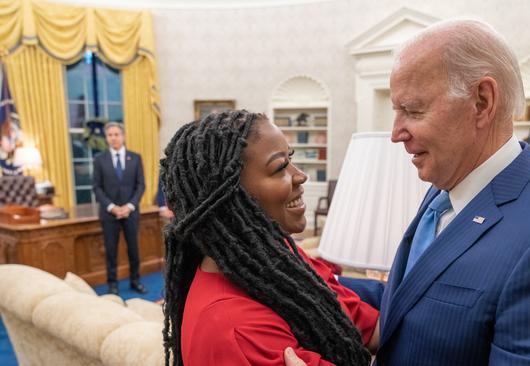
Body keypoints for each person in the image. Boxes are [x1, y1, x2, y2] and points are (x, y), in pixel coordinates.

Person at [286, 18, 530, 365]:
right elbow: (414, 301)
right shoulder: (443, 192)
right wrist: (300, 275)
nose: (396, 133)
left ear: (482, 102)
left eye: (413, 110)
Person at [160, 110, 379, 366]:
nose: (300, 175)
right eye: (280, 167)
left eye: (291, 159)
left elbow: (373, 329)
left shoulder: (282, 261)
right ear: (231, 199)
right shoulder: (234, 330)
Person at [92, 122, 147, 295]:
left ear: (123, 136)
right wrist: (112, 207)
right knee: (111, 250)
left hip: (131, 213)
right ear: (107, 138)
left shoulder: (135, 158)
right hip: (109, 214)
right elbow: (97, 187)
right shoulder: (99, 159)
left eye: (116, 134)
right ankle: (112, 284)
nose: (113, 138)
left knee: (133, 249)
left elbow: (141, 185)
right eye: (110, 135)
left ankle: (135, 280)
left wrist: (130, 206)